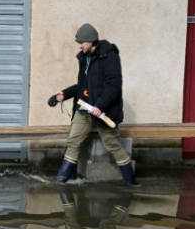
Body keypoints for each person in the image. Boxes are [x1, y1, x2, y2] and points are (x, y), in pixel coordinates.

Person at [49, 23, 138, 186]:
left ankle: (131, 182)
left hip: (104, 112)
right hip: (84, 110)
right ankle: (61, 180)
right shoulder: (84, 57)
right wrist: (65, 94)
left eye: (81, 42)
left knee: (113, 145)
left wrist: (100, 106)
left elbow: (114, 85)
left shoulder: (108, 56)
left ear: (91, 41)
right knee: (73, 142)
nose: (79, 45)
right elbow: (82, 86)